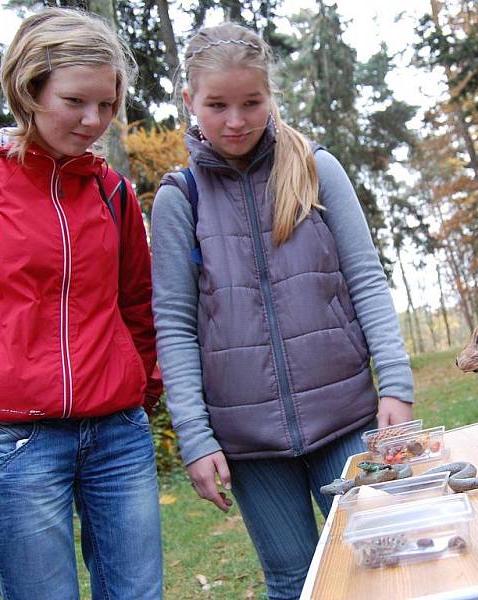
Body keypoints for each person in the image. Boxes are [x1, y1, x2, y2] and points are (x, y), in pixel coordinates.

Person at [151, 22, 414, 600]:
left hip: (346, 421)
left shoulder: (317, 169)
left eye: (252, 102)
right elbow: (173, 325)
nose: (236, 120)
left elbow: (366, 280)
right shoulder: (179, 199)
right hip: (248, 445)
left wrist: (394, 384)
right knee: (294, 582)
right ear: (189, 101)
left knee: (383, 568)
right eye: (216, 105)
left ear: (271, 96)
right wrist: (194, 437)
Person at [0, 8, 163, 600]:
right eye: (75, 101)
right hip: (15, 442)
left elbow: (137, 306)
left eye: (106, 105)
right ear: (29, 89)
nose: (93, 120)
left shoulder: (113, 192)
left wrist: (139, 388)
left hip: (119, 436)